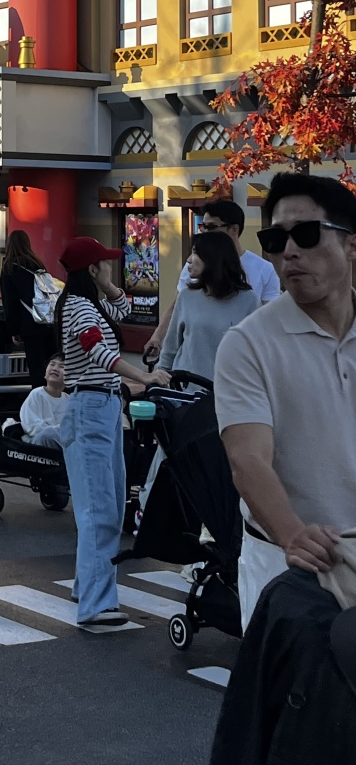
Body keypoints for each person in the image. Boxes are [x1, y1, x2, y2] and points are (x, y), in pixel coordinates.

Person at [214, 171, 356, 630]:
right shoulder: (248, 344)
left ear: (351, 245)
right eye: (275, 239)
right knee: (298, 699)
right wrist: (293, 535)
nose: (289, 251)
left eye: (307, 235)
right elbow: (248, 462)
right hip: (291, 565)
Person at [56, 236, 170, 627]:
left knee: (105, 502)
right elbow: (99, 352)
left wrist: (107, 285)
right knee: (99, 510)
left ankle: (85, 585)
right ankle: (96, 604)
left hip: (100, 407)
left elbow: (123, 307)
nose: (111, 267)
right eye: (104, 264)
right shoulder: (79, 310)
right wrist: (145, 376)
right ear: (90, 269)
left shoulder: (85, 304)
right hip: (91, 406)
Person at [143, 198, 280, 363]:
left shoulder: (264, 271)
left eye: (211, 227)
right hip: (190, 368)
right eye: (203, 227)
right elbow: (178, 307)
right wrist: (157, 336)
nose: (205, 232)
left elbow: (268, 321)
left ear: (234, 230)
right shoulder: (194, 265)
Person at [157, 232, 260, 379]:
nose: (189, 260)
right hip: (185, 390)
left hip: (227, 392)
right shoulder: (186, 297)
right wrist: (160, 376)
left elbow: (255, 353)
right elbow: (170, 347)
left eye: (195, 253)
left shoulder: (249, 301)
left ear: (212, 258)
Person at [0, 229, 62, 387]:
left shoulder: (9, 267)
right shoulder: (37, 263)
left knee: (36, 370)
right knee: (52, 366)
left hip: (30, 324)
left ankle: (40, 401)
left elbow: (10, 302)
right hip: (48, 321)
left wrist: (13, 330)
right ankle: (56, 398)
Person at [18, 355, 69, 447]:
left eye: (62, 367)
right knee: (48, 434)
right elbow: (32, 426)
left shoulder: (69, 400)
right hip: (37, 442)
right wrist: (56, 431)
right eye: (52, 364)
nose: (55, 369)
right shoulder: (37, 394)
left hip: (61, 441)